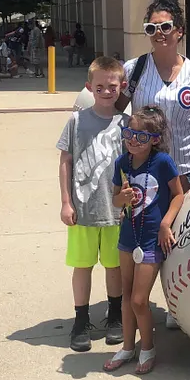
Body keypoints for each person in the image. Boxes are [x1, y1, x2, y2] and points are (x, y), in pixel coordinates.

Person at [115, 0, 190, 330]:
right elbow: (115, 113)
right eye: (151, 27)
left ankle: (176, 301)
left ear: (179, 31)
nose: (159, 33)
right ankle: (134, 305)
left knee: (180, 237)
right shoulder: (135, 69)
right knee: (147, 234)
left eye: (166, 26)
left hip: (185, 170)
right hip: (144, 173)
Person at [103, 106, 184, 375]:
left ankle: (147, 347)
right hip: (128, 237)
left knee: (139, 300)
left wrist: (165, 224)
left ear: (155, 139)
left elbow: (178, 195)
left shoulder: (162, 162)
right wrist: (121, 200)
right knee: (126, 296)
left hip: (151, 240)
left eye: (140, 135)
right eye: (129, 133)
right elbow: (116, 199)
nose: (132, 140)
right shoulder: (122, 163)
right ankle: (128, 347)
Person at [57, 56, 127, 352]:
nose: (106, 92)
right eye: (100, 87)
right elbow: (65, 160)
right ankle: (81, 319)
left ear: (122, 87)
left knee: (114, 267)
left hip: (115, 211)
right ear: (90, 87)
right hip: (83, 210)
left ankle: (115, 315)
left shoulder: (126, 125)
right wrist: (65, 202)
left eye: (112, 86)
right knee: (82, 266)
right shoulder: (76, 121)